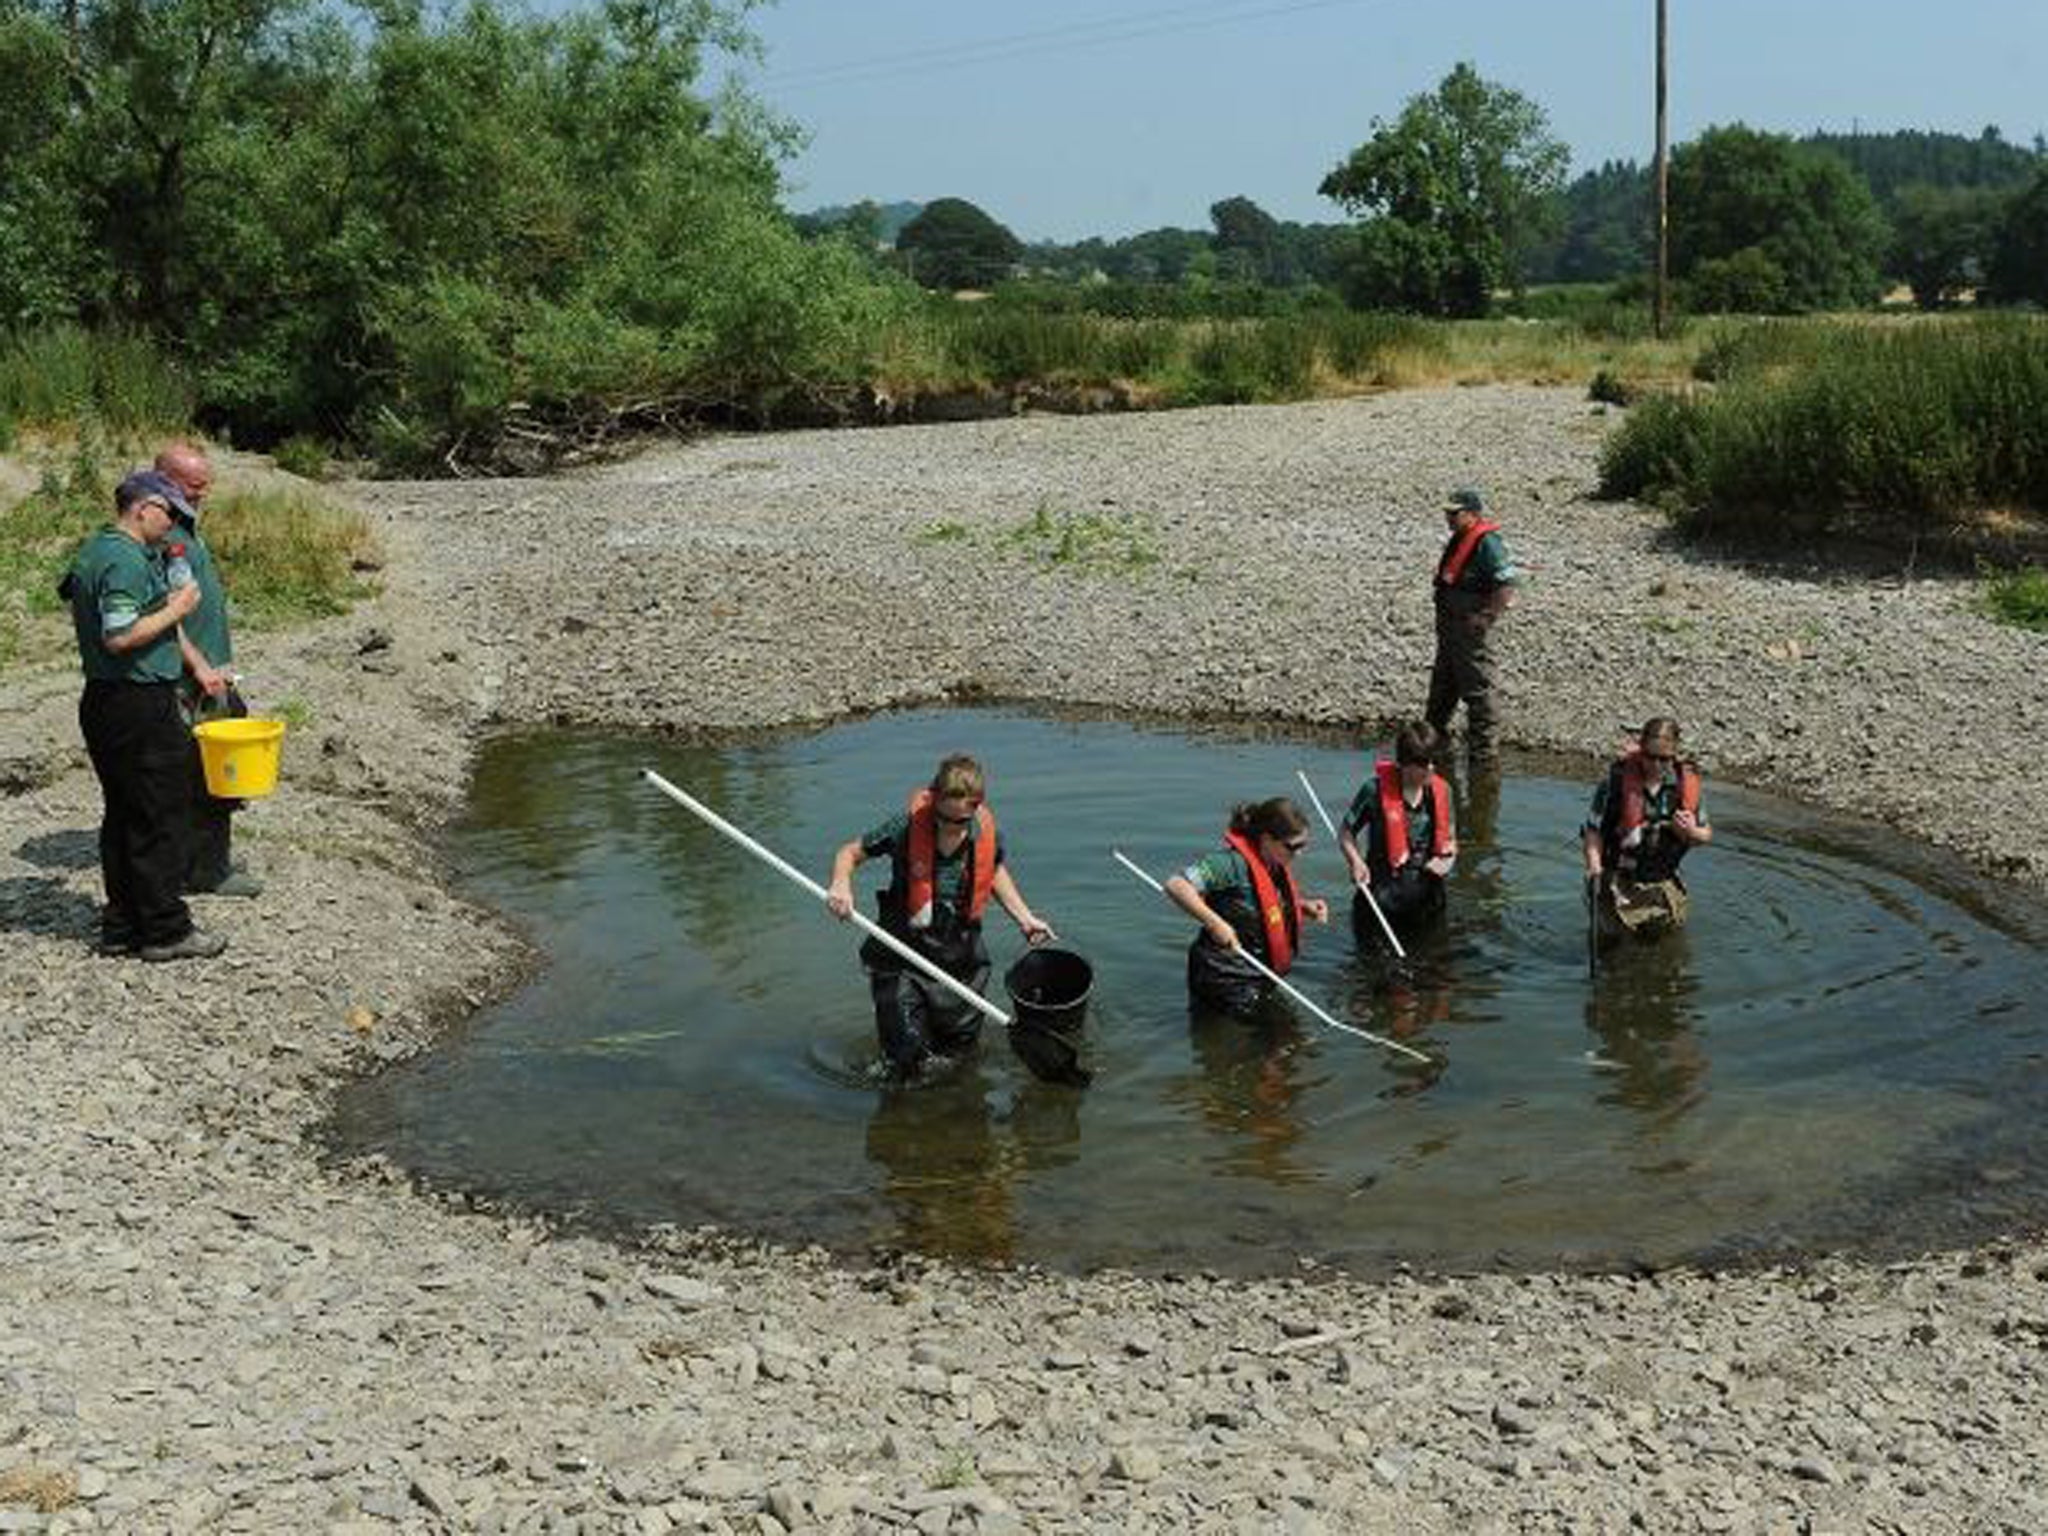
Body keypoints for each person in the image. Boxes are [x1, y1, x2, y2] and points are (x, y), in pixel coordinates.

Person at [61, 471, 228, 961]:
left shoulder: (99, 550)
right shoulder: (123, 558)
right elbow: (120, 633)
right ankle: (165, 929)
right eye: (170, 514)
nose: (174, 525)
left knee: (125, 813)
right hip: (135, 701)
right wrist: (179, 606)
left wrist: (194, 661)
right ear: (144, 507)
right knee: (159, 813)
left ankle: (123, 924)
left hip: (107, 699)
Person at [826, 754, 1053, 1076]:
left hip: (961, 957)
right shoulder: (904, 827)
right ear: (933, 801)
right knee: (905, 1058)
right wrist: (840, 884)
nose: (950, 828)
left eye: (960, 822)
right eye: (943, 817)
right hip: (902, 953)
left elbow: (994, 873)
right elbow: (849, 853)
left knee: (957, 1060)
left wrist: (1025, 918)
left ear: (975, 809)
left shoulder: (985, 836)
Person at [155, 442, 261, 898]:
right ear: (163, 480)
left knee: (217, 767)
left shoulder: (187, 526)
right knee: (209, 772)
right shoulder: (162, 533)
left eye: (204, 486)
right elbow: (159, 612)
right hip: (189, 679)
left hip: (212, 672)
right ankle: (204, 871)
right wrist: (197, 666)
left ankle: (202, 863)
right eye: (191, 485)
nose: (201, 493)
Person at [1163, 797, 1330, 1017]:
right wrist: (1215, 923)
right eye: (1293, 847)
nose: (1299, 854)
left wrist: (1302, 906)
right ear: (1267, 839)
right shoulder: (1229, 864)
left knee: (1281, 1042)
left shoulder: (1275, 862)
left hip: (1258, 974)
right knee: (1266, 1042)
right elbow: (1176, 885)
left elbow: (1261, 903)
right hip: (1223, 977)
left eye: (1303, 846)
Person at [1582, 716, 1714, 942]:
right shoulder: (1614, 784)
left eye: (1664, 759)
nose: (1656, 765)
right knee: (1613, 951)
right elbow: (1593, 831)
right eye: (1650, 757)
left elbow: (1706, 835)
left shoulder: (1685, 786)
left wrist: (1692, 831)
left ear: (1674, 755)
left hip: (1662, 884)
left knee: (1663, 948)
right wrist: (1594, 867)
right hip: (1617, 881)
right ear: (1640, 750)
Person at [1425, 486, 1517, 768]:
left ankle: (1484, 758)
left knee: (1479, 692)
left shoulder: (1488, 543)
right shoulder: (1459, 538)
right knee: (1442, 687)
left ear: (1472, 514)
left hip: (1470, 631)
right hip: (1450, 630)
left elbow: (1506, 584)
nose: (1449, 518)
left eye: (1455, 513)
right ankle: (1430, 747)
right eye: (1447, 513)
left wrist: (1486, 618)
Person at [1339, 722, 1457, 935]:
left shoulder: (1443, 791)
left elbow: (1450, 840)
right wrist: (1355, 862)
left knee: (1433, 963)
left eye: (1434, 760)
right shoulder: (1373, 791)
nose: (1430, 768)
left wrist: (1446, 861)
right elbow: (1346, 833)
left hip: (1427, 901)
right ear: (1403, 763)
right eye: (1422, 762)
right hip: (1381, 899)